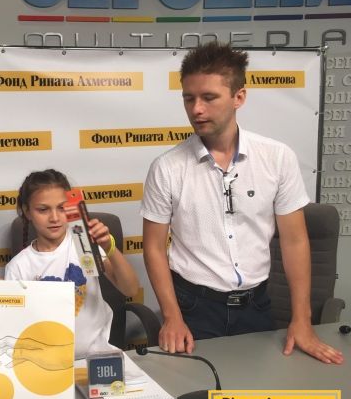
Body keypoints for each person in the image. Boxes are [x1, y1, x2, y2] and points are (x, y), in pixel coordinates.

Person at [140, 42, 343, 364]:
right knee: (195, 391)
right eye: (189, 98)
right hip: (193, 306)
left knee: (258, 386)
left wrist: (302, 320)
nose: (196, 109)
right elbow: (153, 247)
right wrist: (171, 316)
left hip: (257, 306)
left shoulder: (277, 158)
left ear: (239, 97)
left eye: (209, 97)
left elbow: (294, 240)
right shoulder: (167, 168)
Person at [5, 169, 139, 359]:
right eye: (43, 209)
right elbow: (16, 326)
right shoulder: (19, 266)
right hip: (47, 361)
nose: (54, 217)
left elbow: (130, 289)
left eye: (62, 208)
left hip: (96, 354)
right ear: (27, 212)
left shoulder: (82, 244)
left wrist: (109, 246)